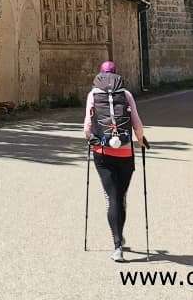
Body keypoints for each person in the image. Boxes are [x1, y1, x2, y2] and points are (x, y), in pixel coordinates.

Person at [84, 60, 148, 261]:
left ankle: (117, 245)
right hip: (125, 152)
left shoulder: (93, 94)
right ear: (116, 75)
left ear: (100, 75)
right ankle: (120, 237)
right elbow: (137, 123)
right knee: (121, 197)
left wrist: (91, 139)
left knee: (111, 197)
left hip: (102, 151)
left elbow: (87, 126)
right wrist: (141, 141)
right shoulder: (126, 94)